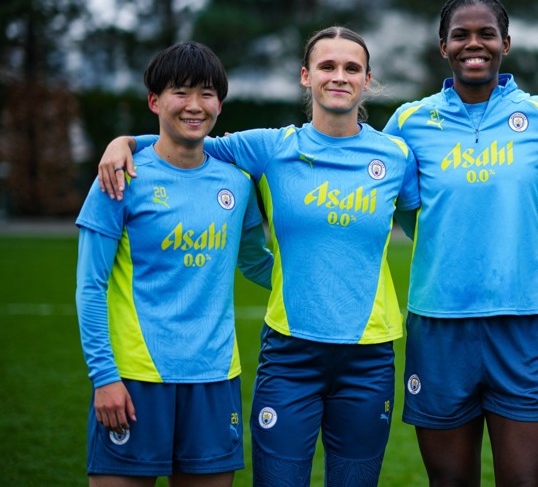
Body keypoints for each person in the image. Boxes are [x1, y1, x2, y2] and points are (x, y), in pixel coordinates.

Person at [96, 27, 421, 486]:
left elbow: (426, 227)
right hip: (290, 354)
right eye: (327, 66)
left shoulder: (396, 156)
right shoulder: (269, 147)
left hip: (369, 355)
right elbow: (187, 139)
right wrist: (125, 142)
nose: (339, 76)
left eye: (352, 68)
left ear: (367, 80)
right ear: (305, 76)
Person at [383, 0, 538, 486]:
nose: (475, 43)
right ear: (443, 46)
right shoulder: (408, 121)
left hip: (523, 324)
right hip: (440, 325)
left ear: (506, 43)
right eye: (461, 35)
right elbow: (396, 201)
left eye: (486, 33)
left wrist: (531, 225)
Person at [76, 41, 274, 486]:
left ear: (220, 104)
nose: (194, 105)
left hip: (215, 377)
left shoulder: (237, 181)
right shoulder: (119, 177)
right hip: (134, 377)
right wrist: (104, 377)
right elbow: (90, 287)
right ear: (155, 101)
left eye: (206, 93)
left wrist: (313, 279)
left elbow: (254, 264)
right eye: (180, 92)